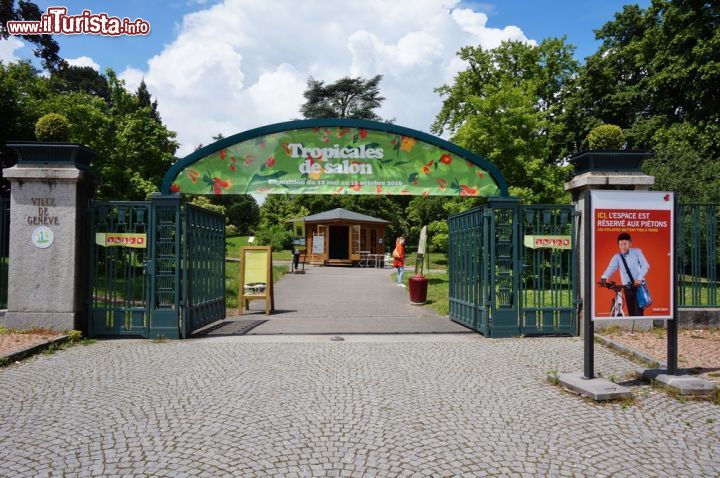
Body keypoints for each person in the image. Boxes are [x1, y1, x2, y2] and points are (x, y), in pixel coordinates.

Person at [600, 232, 650, 316]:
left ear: (630, 244)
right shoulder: (617, 257)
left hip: (639, 286)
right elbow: (611, 268)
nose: (623, 246)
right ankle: (634, 329)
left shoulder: (637, 252)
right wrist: (605, 276)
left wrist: (639, 278)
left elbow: (646, 265)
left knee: (639, 312)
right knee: (631, 312)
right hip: (627, 288)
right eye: (621, 244)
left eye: (625, 244)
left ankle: (639, 327)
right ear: (618, 245)